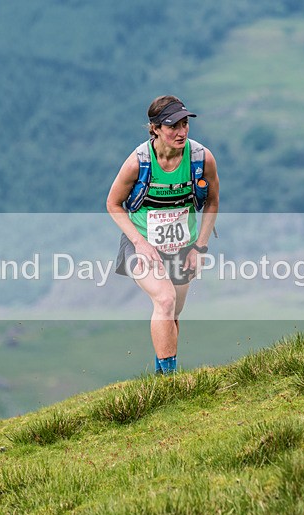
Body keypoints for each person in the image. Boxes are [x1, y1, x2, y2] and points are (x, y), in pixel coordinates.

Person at [106, 95, 219, 375]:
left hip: (184, 248)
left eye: (184, 124)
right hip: (143, 247)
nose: (181, 132)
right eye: (172, 126)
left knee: (173, 315)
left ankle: (162, 373)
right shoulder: (138, 163)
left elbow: (213, 202)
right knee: (165, 300)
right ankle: (169, 382)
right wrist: (139, 242)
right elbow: (112, 203)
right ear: (155, 128)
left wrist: (200, 247)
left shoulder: (201, 158)